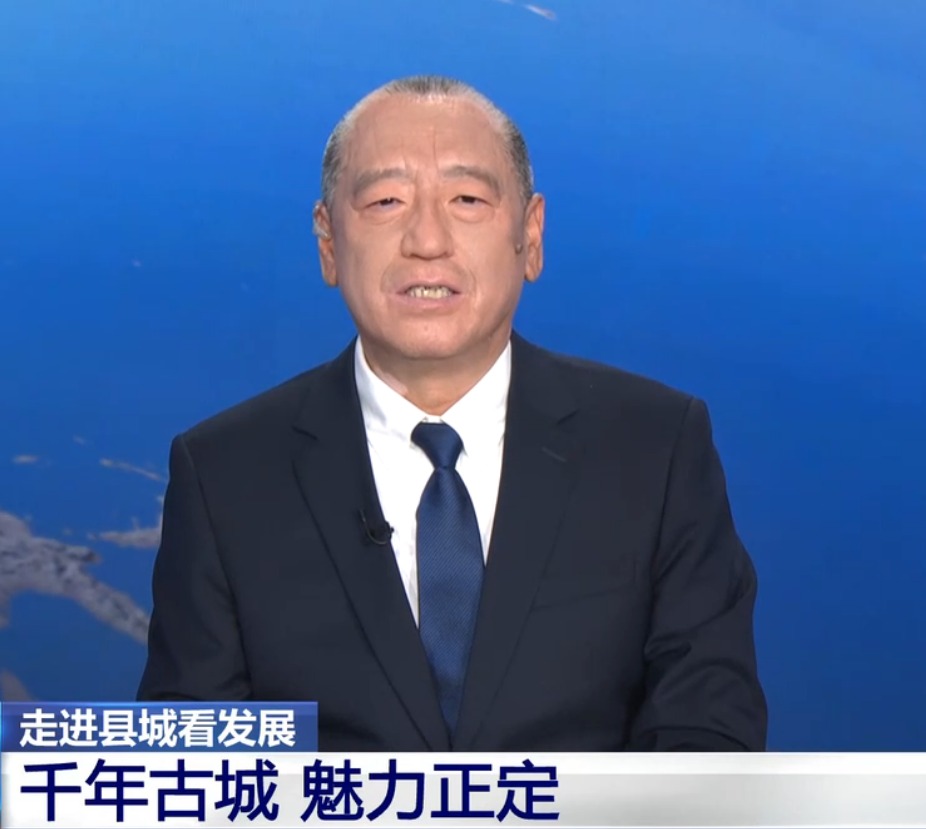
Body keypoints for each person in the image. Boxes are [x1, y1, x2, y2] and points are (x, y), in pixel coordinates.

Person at [138, 75, 768, 752]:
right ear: (328, 242)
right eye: (386, 201)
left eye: (467, 200)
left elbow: (707, 738)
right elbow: (190, 764)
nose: (427, 240)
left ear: (530, 235)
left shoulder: (654, 447)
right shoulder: (223, 474)